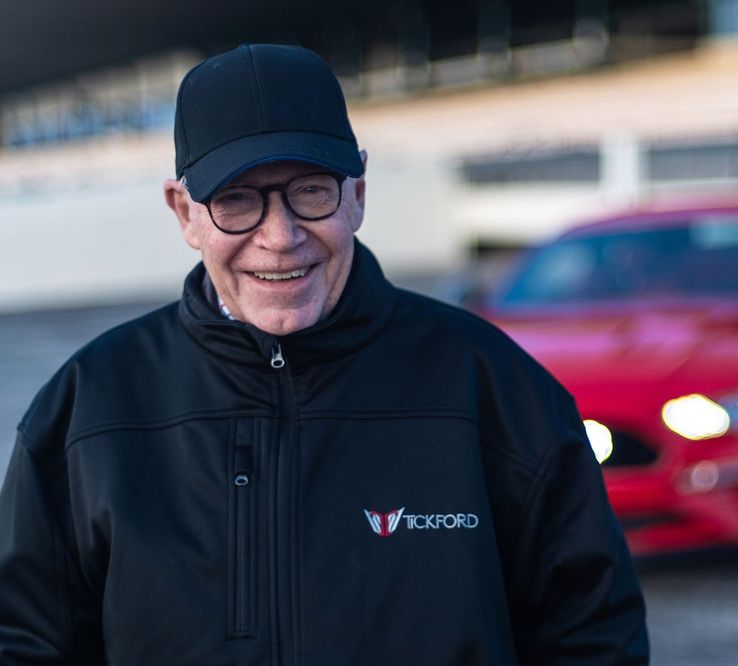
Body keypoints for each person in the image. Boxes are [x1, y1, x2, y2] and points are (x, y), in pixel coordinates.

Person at [0, 44, 648, 665]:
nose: (280, 238)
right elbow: (26, 642)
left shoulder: (495, 387)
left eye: (311, 190)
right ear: (184, 213)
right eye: (236, 199)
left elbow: (592, 637)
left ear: (358, 195)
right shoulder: (92, 404)